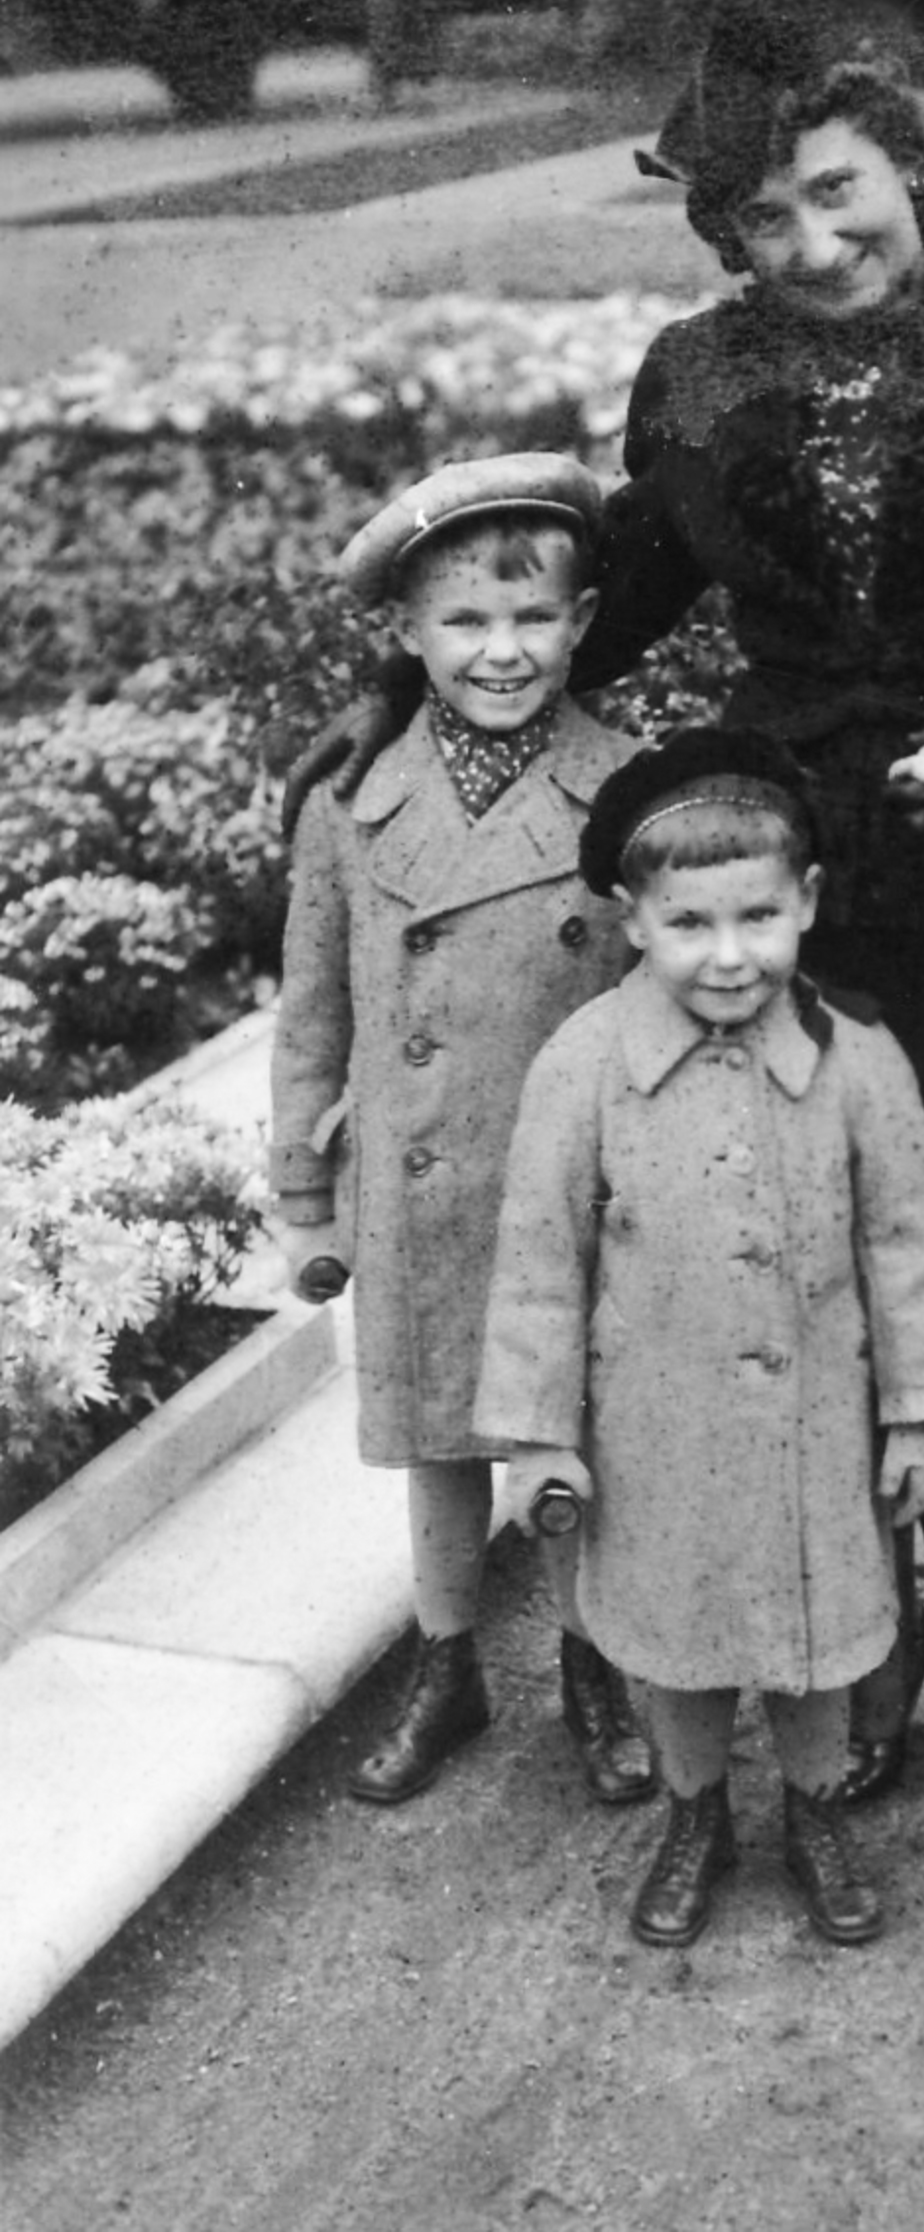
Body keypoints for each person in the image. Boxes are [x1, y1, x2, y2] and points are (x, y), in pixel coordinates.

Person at [284, 0, 924, 1815]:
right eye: (761, 220)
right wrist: (403, 690)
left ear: (907, 160)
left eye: (834, 190)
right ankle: (851, 1615)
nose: (812, 245)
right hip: (773, 886)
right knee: (795, 1244)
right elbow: (625, 595)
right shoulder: (698, 372)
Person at [473, 729, 924, 1945]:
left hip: (819, 1423)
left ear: (807, 901)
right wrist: (537, 1437)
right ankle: (694, 1815)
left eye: (758, 916)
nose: (730, 954)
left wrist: (918, 1414)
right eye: (689, 924)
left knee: (813, 1638)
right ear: (632, 920)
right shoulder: (582, 1065)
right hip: (654, 1425)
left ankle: (814, 1812)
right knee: (676, 1635)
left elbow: (910, 1246)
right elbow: (538, 1264)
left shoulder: (858, 1058)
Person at [268, 454, 655, 1812]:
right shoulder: (350, 801)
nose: (503, 651)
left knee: (573, 1434)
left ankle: (592, 1663)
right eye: (466, 622)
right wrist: (302, 1196)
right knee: (434, 1438)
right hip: (417, 1178)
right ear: (406, 631)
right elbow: (313, 1008)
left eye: (533, 617)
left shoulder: (627, 787)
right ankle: (446, 1663)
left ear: (584, 618)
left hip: (568, 1187)